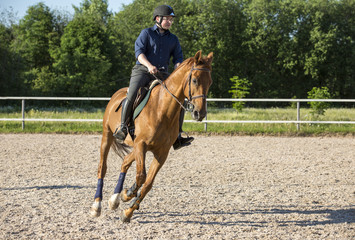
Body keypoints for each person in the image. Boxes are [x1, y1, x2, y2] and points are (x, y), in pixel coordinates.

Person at [113, 5, 193, 150]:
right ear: (158, 19)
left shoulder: (173, 39)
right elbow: (139, 53)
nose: (170, 22)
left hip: (163, 73)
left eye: (171, 19)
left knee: (180, 99)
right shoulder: (146, 33)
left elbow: (178, 59)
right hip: (143, 70)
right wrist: (149, 66)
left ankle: (178, 135)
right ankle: (123, 127)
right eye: (167, 19)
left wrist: (178, 69)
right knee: (131, 94)